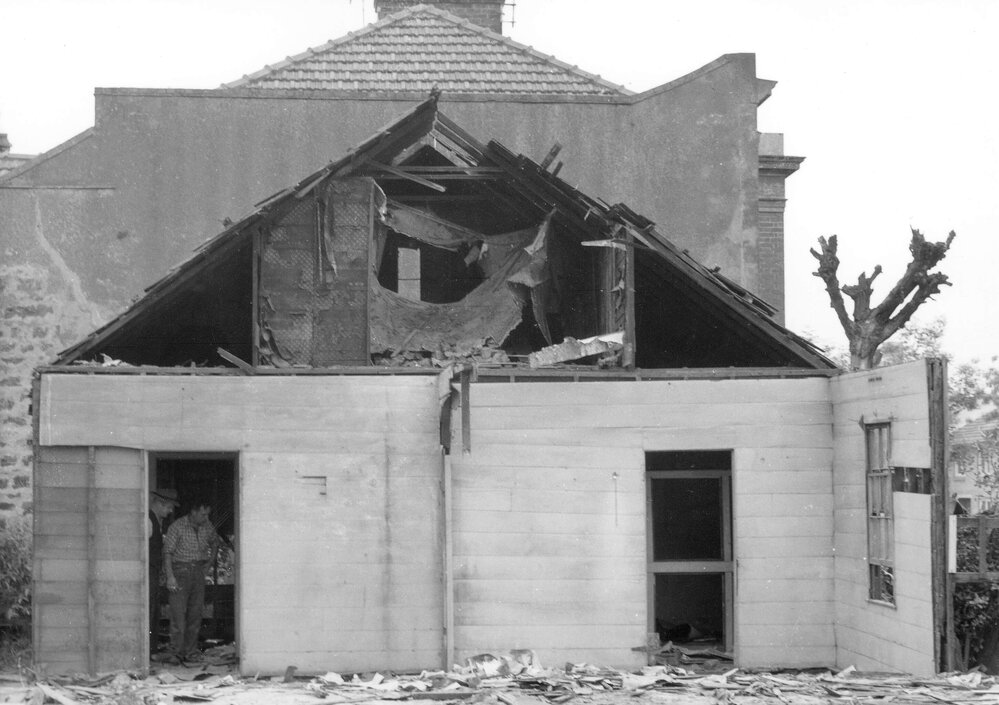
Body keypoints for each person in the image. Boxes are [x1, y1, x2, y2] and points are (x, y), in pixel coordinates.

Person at [163, 501, 221, 661]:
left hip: (198, 571)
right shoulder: (177, 526)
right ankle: (176, 652)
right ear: (193, 511)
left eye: (207, 514)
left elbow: (215, 542)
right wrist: (170, 577)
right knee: (178, 615)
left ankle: (190, 652)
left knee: (195, 615)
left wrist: (209, 563)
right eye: (203, 514)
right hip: (180, 571)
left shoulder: (207, 526)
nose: (206, 517)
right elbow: (167, 552)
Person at [148, 488, 179, 654]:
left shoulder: (156, 522)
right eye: (168, 507)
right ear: (160, 504)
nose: (170, 511)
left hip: (153, 573)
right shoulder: (148, 522)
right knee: (149, 610)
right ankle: (148, 652)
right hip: (148, 573)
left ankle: (151, 651)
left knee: (154, 610)